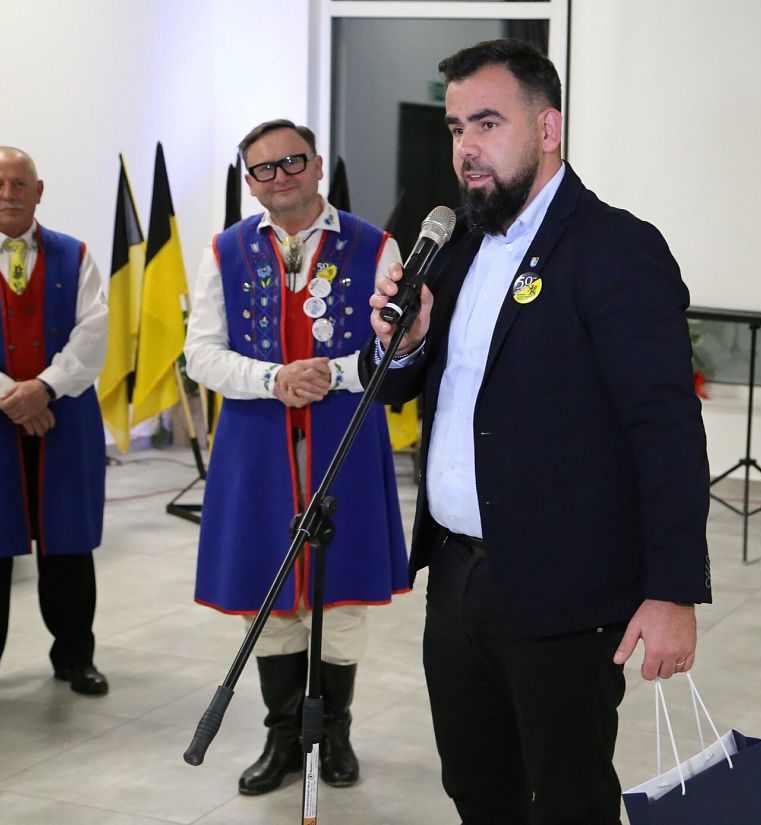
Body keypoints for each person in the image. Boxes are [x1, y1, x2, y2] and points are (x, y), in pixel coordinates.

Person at [364, 39, 712, 825]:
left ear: (548, 128)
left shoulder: (616, 249)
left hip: (567, 595)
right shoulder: (452, 245)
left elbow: (665, 432)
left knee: (566, 802)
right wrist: (406, 337)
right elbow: (389, 383)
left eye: (488, 123)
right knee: (476, 790)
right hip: (457, 582)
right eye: (456, 128)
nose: (466, 147)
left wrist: (672, 591)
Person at [185, 119, 408, 795]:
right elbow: (201, 354)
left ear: (316, 166)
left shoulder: (376, 245)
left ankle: (332, 731)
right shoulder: (224, 250)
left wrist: (327, 374)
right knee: (269, 591)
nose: (279, 176)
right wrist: (272, 379)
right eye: (264, 168)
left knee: (339, 596)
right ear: (249, 183)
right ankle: (282, 735)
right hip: (256, 446)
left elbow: (395, 345)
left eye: (292, 161)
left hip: (345, 439)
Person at [0, 147, 110, 709]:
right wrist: (12, 396)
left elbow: (92, 335)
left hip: (65, 417)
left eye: (19, 183)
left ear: (39, 190)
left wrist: (44, 389)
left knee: (67, 543)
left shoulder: (76, 256)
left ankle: (75, 656)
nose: (9, 193)